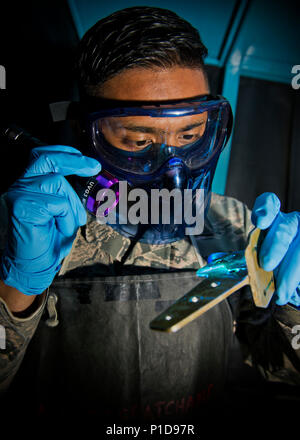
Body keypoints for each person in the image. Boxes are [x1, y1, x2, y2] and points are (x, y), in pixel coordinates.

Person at [0, 6, 299, 428]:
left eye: (191, 135)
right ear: (87, 134)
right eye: (139, 140)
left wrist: (295, 314)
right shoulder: (30, 231)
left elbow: (283, 370)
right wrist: (14, 289)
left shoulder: (234, 226)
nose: (174, 171)